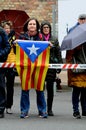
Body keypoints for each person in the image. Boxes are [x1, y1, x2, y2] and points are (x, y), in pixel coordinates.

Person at [19, 18, 48, 118]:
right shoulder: (22, 37)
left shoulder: (41, 38)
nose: (32, 26)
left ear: (37, 26)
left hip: (38, 66)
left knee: (39, 88)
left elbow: (46, 49)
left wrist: (50, 45)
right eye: (30, 24)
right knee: (25, 89)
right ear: (27, 26)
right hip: (26, 66)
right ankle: (24, 110)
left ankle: (42, 110)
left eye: (34, 24)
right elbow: (16, 51)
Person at [40, 21, 63, 116]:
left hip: (51, 66)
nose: (46, 29)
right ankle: (42, 108)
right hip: (41, 66)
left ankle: (49, 109)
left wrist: (59, 65)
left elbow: (58, 52)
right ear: (41, 28)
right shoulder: (39, 38)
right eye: (44, 27)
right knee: (40, 89)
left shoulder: (54, 39)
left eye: (47, 27)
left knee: (50, 89)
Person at [66, 14, 86, 119]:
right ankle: (76, 110)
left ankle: (84, 109)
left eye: (84, 19)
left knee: (84, 90)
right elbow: (70, 50)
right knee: (77, 89)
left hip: (85, 63)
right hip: (76, 64)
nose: (83, 21)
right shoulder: (73, 31)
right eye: (81, 19)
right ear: (78, 20)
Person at [0, 20, 16, 114]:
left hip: (10, 63)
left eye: (8, 28)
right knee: (1, 85)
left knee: (9, 86)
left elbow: (8, 48)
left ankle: (8, 105)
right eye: (5, 28)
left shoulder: (13, 38)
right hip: (2, 64)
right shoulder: (2, 34)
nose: (7, 30)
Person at [0, 26, 11, 118]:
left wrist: (0, 54)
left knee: (1, 86)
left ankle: (1, 108)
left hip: (0, 64)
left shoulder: (2, 32)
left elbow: (7, 47)